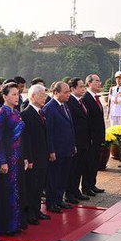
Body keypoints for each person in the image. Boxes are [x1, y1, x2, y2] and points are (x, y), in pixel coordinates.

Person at [0, 83, 28, 233]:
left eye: (18, 94)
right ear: (4, 96)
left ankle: (17, 223)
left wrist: (25, 157)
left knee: (18, 190)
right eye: (13, 94)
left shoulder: (16, 112)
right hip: (8, 159)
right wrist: (2, 161)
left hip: (18, 157)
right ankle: (7, 226)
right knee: (8, 192)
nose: (17, 97)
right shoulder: (1, 113)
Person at [20, 84, 50, 226]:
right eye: (42, 95)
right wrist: (29, 158)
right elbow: (26, 139)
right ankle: (30, 213)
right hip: (33, 157)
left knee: (39, 186)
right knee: (31, 186)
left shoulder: (41, 112)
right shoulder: (26, 114)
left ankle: (37, 210)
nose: (44, 98)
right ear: (33, 96)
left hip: (42, 155)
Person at [43, 81, 75, 213]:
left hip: (67, 149)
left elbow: (70, 128)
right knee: (54, 177)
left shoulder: (64, 106)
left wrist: (73, 145)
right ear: (56, 93)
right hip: (56, 150)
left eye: (69, 92)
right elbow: (49, 132)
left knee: (63, 177)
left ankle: (59, 199)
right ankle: (51, 202)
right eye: (66, 92)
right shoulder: (50, 108)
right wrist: (51, 151)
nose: (69, 94)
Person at [65, 78, 91, 203]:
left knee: (79, 167)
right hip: (75, 142)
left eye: (83, 86)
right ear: (72, 89)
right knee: (72, 169)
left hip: (84, 141)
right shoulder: (69, 102)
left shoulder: (81, 101)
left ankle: (76, 190)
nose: (83, 89)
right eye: (80, 87)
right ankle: (70, 193)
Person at [81, 74, 106, 196]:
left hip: (97, 137)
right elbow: (87, 122)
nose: (99, 83)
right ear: (89, 83)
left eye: (99, 81)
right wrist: (89, 137)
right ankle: (86, 186)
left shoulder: (96, 98)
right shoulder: (86, 98)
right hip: (90, 138)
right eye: (96, 81)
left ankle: (92, 184)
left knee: (95, 161)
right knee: (89, 163)